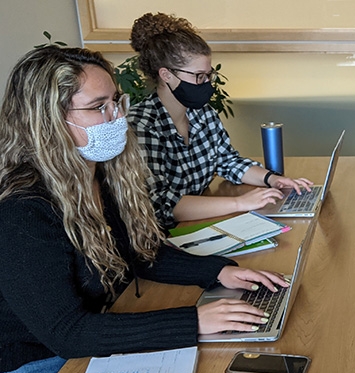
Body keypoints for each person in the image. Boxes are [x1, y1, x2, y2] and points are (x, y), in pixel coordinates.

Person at [0, 46, 289, 373]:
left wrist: (216, 273)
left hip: (80, 349)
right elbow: (68, 333)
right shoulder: (23, 211)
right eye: (98, 107)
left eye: (116, 102)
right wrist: (194, 321)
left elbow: (135, 254)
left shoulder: (95, 177)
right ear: (48, 121)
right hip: (31, 371)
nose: (116, 117)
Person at [127, 12, 313, 229]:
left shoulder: (201, 112)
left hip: (197, 223)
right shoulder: (142, 125)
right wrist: (240, 202)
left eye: (208, 75)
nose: (206, 83)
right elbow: (161, 206)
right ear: (166, 75)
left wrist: (273, 180)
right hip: (161, 235)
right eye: (198, 76)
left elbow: (227, 161)